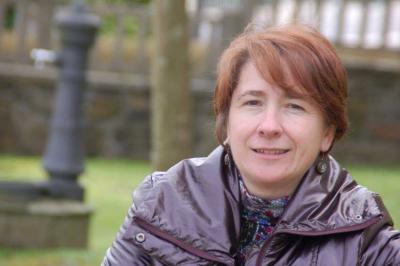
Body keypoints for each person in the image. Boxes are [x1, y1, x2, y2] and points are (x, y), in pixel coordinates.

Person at [102, 24, 400, 265]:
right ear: (227, 121)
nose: (269, 126)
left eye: (294, 106)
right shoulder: (163, 203)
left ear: (327, 133)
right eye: (253, 102)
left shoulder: (364, 235)